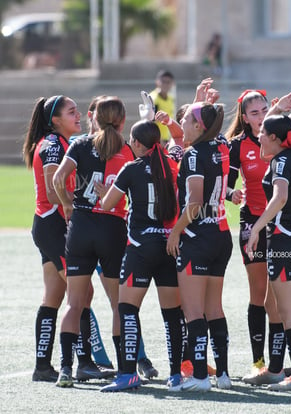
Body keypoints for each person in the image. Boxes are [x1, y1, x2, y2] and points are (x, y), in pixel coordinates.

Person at [72, 96, 159, 379]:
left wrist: (67, 209)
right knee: (105, 301)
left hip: (94, 229)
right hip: (110, 230)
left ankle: (136, 359)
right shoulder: (87, 145)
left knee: (117, 302)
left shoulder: (110, 147)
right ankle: (99, 360)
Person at [52, 96, 135, 387]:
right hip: (112, 226)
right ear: (122, 121)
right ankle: (126, 369)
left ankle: (65, 368)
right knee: (117, 304)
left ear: (95, 117)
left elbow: (58, 179)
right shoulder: (127, 149)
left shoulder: (80, 144)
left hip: (82, 226)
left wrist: (68, 206)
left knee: (74, 304)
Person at [98, 120, 185, 392]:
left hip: (140, 246)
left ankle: (127, 374)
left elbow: (108, 204)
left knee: (127, 310)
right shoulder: (171, 164)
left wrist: (104, 195)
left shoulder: (131, 168)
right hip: (169, 245)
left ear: (136, 143)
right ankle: (175, 374)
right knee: (172, 315)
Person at [225, 89, 291, 386]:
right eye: (254, 113)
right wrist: (233, 193)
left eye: (265, 110)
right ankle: (259, 363)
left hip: (282, 228)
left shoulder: (280, 139)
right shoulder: (237, 146)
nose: (261, 116)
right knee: (259, 294)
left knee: (279, 298)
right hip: (252, 224)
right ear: (244, 118)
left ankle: (281, 363)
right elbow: (225, 186)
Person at [166, 102, 233, 392]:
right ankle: (224, 375)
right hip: (221, 233)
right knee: (214, 308)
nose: (183, 122)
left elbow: (194, 204)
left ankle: (200, 378)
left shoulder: (193, 155)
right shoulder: (220, 147)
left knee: (194, 312)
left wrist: (175, 233)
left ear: (199, 127)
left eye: (188, 119)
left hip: (198, 237)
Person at [246, 114, 291, 391]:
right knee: (279, 308)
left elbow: (281, 196)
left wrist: (256, 228)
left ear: (275, 137)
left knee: (288, 311)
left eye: (262, 132)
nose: (259, 135)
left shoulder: (283, 160)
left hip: (284, 242)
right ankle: (278, 370)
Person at [23, 95, 80, 382]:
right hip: (52, 225)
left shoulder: (61, 143)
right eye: (72, 112)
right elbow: (51, 187)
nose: (78, 115)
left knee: (54, 297)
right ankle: (85, 361)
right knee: (79, 292)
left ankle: (42, 366)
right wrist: (73, 204)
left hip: (50, 226)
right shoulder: (53, 145)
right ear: (55, 120)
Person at [149, 70, 175, 146]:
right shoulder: (153, 99)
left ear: (172, 84)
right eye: (163, 81)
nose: (165, 84)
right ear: (157, 82)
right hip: (156, 140)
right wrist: (159, 139)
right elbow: (151, 122)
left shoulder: (170, 99)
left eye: (168, 82)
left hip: (166, 139)